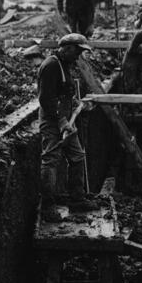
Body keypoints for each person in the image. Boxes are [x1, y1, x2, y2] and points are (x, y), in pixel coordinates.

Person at [38, 33, 99, 216]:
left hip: (65, 119)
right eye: (77, 51)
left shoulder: (65, 64)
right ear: (67, 48)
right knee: (51, 160)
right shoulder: (50, 66)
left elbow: (63, 92)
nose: (78, 56)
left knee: (77, 156)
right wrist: (62, 121)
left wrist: (75, 103)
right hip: (52, 120)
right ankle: (48, 207)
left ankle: (77, 199)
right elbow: (46, 99)